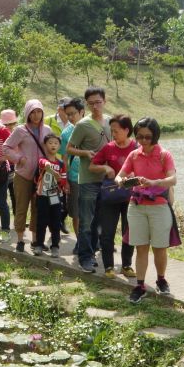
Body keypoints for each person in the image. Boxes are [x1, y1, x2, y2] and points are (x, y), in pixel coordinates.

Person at [115, 117, 177, 304]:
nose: (143, 141)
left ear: (155, 136)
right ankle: (140, 285)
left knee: (160, 247)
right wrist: (123, 182)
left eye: (147, 137)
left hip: (159, 206)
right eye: (139, 136)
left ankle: (161, 279)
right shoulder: (134, 155)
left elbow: (172, 179)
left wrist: (155, 182)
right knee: (141, 247)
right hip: (137, 206)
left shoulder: (164, 155)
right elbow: (120, 176)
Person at [89, 115, 138, 278]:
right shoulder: (108, 148)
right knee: (107, 232)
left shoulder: (137, 147)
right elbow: (92, 166)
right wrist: (105, 168)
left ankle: (126, 265)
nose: (113, 134)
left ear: (126, 130)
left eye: (116, 131)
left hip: (131, 197)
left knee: (129, 232)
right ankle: (109, 267)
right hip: (110, 197)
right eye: (112, 131)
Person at [67, 89, 110, 272]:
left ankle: (93, 253)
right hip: (87, 179)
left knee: (99, 221)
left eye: (98, 102)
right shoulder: (82, 125)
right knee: (85, 221)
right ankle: (85, 257)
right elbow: (69, 148)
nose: (95, 105)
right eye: (91, 102)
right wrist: (85, 153)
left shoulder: (111, 122)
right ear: (86, 104)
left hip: (107, 179)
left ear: (105, 101)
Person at [4, 100, 52, 252]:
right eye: (32, 112)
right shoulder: (20, 130)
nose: (36, 115)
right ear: (27, 113)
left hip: (42, 176)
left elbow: (53, 147)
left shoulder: (48, 129)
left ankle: (35, 240)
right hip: (23, 175)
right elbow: (6, 148)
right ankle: (19, 239)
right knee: (21, 207)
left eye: (39, 111)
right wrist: (19, 158)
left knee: (38, 209)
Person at [33, 133, 68, 256]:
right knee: (41, 221)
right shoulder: (42, 160)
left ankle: (55, 246)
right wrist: (53, 172)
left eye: (56, 143)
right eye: (50, 143)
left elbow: (64, 181)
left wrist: (60, 181)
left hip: (56, 197)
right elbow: (45, 165)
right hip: (42, 196)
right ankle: (38, 245)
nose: (53, 145)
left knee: (55, 222)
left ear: (59, 146)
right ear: (45, 145)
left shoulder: (62, 164)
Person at [59, 98, 84, 241]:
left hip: (91, 178)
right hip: (74, 179)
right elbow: (64, 158)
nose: (69, 117)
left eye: (72, 113)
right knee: (76, 213)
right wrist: (66, 180)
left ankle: (92, 241)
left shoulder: (92, 128)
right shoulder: (66, 133)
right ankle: (80, 242)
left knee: (92, 212)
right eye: (67, 114)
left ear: (82, 112)